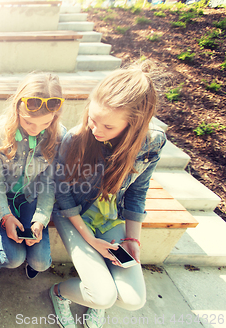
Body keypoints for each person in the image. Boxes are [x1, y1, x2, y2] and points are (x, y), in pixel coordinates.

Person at [49, 65, 167, 328]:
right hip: (74, 214)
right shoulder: (76, 138)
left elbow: (137, 191)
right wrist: (89, 238)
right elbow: (62, 191)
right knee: (102, 296)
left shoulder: (152, 143)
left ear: (133, 126)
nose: (95, 129)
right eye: (92, 118)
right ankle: (59, 293)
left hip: (111, 218)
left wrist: (132, 238)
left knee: (133, 300)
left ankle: (95, 298)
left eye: (108, 125)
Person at [0, 73, 66, 281]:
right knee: (13, 258)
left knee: (41, 262)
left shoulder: (57, 136)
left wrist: (41, 219)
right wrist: (6, 215)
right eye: (29, 123)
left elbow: (48, 183)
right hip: (2, 199)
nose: (36, 130)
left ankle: (33, 261)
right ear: (17, 108)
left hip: (31, 198)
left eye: (45, 123)